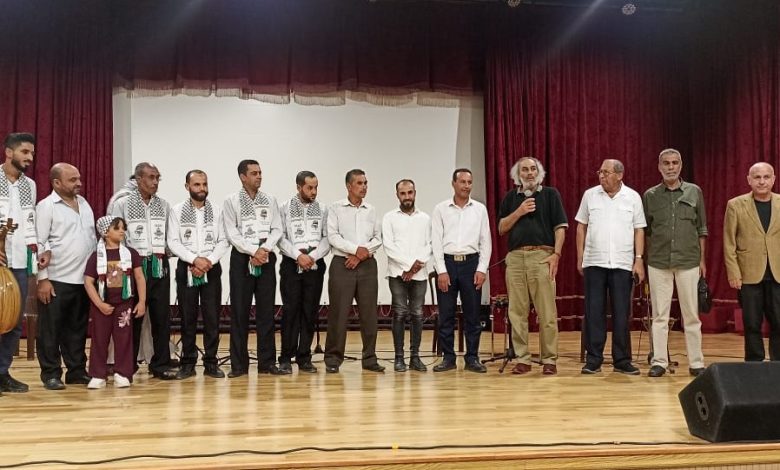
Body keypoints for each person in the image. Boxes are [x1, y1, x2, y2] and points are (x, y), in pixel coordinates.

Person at [498, 157, 567, 376]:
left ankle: (549, 359)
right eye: (524, 170)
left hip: (542, 256)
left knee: (547, 312)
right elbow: (501, 228)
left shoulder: (550, 194)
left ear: (539, 173)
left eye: (533, 169)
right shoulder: (511, 198)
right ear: (517, 175)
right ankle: (522, 359)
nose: (529, 173)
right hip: (515, 258)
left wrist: (556, 254)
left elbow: (560, 227)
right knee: (517, 312)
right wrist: (519, 211)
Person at [575, 159, 645, 375]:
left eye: (606, 172)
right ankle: (593, 359)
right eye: (600, 172)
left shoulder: (633, 197)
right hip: (594, 262)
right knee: (594, 312)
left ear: (619, 175)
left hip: (622, 263)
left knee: (621, 313)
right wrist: (580, 257)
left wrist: (639, 259)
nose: (601, 176)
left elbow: (639, 229)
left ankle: (622, 360)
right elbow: (581, 227)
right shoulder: (590, 195)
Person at [110, 162, 179, 380]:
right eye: (151, 177)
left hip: (158, 266)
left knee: (161, 317)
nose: (155, 182)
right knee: (134, 317)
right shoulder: (122, 204)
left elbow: (170, 235)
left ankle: (160, 364)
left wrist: (166, 253)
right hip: (134, 267)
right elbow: (115, 236)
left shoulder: (164, 205)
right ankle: (127, 365)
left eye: (158, 178)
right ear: (138, 179)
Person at [643, 149, 708, 377]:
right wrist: (644, 259)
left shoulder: (694, 191)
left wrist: (702, 260)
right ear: (659, 167)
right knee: (660, 315)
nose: (670, 167)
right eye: (666, 163)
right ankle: (659, 362)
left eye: (674, 163)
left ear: (681, 166)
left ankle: (696, 363)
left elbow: (701, 229)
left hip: (689, 260)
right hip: (658, 262)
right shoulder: (650, 195)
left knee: (691, 316)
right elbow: (646, 231)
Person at [36, 163, 96, 390]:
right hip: (56, 279)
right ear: (56, 183)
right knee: (50, 330)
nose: (79, 183)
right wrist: (43, 279)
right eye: (73, 180)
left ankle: (76, 371)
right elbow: (39, 242)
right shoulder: (46, 207)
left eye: (79, 178)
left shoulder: (84, 204)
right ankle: (51, 374)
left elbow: (91, 238)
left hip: (83, 280)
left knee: (77, 329)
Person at [222, 159, 283, 377]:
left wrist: (264, 249)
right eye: (254, 173)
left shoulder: (270, 199)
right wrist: (252, 251)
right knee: (240, 312)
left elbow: (277, 229)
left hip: (266, 257)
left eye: (260, 172)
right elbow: (232, 233)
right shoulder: (231, 201)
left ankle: (267, 363)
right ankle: (239, 365)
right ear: (242, 177)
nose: (259, 176)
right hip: (242, 259)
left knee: (266, 312)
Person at [168, 170, 229, 379]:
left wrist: (208, 261)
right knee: (188, 317)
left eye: (204, 184)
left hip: (211, 269)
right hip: (187, 268)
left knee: (212, 317)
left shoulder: (217, 210)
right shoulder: (176, 211)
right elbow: (173, 241)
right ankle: (188, 363)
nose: (202, 188)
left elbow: (223, 240)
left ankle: (211, 362)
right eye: (197, 184)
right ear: (187, 187)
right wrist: (195, 260)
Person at [431, 168, 492, 373]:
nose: (466, 186)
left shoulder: (480, 209)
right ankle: (448, 358)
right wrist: (441, 271)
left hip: (471, 264)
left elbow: (486, 241)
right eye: (463, 182)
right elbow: (436, 242)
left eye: (469, 182)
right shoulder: (440, 209)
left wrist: (482, 269)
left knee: (473, 315)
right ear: (453, 184)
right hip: (447, 264)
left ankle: (472, 358)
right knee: (446, 314)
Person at [324, 169, 384, 374]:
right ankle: (333, 358)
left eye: (365, 183)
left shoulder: (371, 210)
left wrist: (360, 255)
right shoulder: (336, 208)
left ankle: (370, 358)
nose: (364, 187)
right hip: (343, 264)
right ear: (349, 186)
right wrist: (354, 250)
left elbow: (378, 238)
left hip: (367, 265)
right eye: (359, 183)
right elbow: (333, 236)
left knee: (369, 314)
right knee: (339, 313)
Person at [724, 162, 780, 362]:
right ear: (749, 180)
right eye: (757, 177)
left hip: (777, 274)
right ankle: (754, 365)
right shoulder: (735, 205)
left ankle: (777, 365)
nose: (762, 181)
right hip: (748, 274)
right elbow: (729, 242)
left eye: (766, 177)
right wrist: (734, 273)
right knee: (752, 324)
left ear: (773, 179)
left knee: (779, 322)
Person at [84, 216, 146, 389]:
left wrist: (141, 301)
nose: (122, 231)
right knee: (99, 339)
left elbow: (139, 277)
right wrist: (99, 304)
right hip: (102, 305)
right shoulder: (96, 256)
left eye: (123, 228)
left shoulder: (131, 254)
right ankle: (98, 374)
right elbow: (88, 282)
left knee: (124, 339)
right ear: (105, 233)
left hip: (124, 304)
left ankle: (123, 373)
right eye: (117, 228)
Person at [278, 171, 329, 374]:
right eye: (309, 188)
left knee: (310, 311)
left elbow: (327, 237)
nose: (313, 192)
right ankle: (285, 357)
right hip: (291, 265)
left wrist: (312, 256)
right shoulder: (284, 208)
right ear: (299, 187)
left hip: (315, 266)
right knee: (291, 311)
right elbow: (280, 237)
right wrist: (298, 255)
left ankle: (304, 356)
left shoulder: (323, 209)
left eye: (316, 187)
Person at [0, 133, 37, 394]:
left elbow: (29, 223)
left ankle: (2, 373)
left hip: (20, 262)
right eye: (25, 152)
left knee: (13, 320)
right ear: (8, 152)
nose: (30, 157)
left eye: (32, 153)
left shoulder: (30, 185)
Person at [382, 179, 431, 372]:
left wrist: (415, 267)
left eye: (410, 193)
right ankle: (399, 358)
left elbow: (430, 245)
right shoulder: (389, 218)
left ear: (415, 193)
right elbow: (388, 246)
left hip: (419, 274)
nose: (407, 197)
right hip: (397, 274)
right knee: (400, 313)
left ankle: (415, 358)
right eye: (403, 193)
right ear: (397, 195)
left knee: (417, 314)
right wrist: (407, 266)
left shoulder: (425, 218)